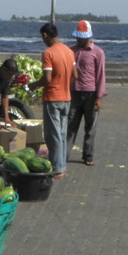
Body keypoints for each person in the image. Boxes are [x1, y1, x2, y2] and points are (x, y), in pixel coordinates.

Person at [28, 22, 76, 179]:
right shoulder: (69, 51)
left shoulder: (48, 53)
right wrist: (64, 84)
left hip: (53, 98)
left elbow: (47, 79)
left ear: (45, 35)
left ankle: (57, 168)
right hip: (66, 97)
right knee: (62, 133)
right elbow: (75, 75)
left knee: (53, 134)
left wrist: (34, 85)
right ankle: (62, 165)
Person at [67, 20, 107, 167]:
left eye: (82, 37)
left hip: (91, 93)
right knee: (70, 125)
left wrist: (99, 97)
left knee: (90, 128)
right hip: (74, 93)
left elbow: (101, 75)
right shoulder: (71, 50)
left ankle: (88, 155)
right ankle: (64, 154)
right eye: (78, 37)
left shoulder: (98, 52)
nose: (79, 40)